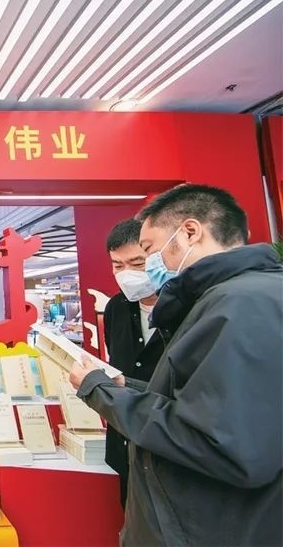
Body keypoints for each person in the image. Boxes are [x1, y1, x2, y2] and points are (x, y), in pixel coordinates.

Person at [70, 185, 282, 546]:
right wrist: (128, 387)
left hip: (207, 527)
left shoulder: (240, 306)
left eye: (149, 250)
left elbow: (219, 443)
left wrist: (101, 391)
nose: (148, 265)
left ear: (189, 232)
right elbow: (202, 403)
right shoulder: (234, 298)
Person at [102, 219, 165, 508]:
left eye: (137, 263)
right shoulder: (115, 308)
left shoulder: (189, 309)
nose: (126, 273)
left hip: (167, 445)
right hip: (124, 442)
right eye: (117, 265)